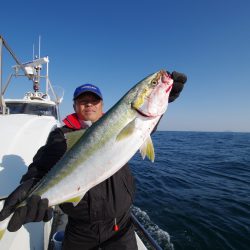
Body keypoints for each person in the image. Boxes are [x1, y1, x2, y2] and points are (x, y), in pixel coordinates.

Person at [0, 71, 187, 250]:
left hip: (120, 227)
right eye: (83, 101)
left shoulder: (122, 122)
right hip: (80, 230)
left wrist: (162, 97)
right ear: (74, 107)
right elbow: (41, 166)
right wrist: (30, 184)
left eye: (94, 100)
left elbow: (141, 126)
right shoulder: (61, 136)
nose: (89, 105)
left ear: (102, 105)